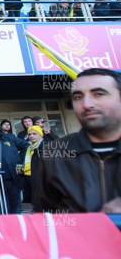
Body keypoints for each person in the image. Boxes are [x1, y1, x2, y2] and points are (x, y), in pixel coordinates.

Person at [34, 68, 121, 213]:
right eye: (78, 97)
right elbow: (45, 218)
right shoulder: (55, 152)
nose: (87, 104)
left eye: (98, 94)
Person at [22, 125, 44, 211]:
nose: (31, 136)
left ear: (40, 134)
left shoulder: (44, 146)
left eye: (34, 134)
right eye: (29, 134)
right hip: (31, 177)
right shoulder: (30, 147)